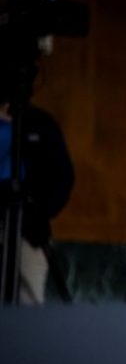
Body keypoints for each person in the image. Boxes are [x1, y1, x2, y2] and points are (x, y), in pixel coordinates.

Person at [0, 102, 74, 304]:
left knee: (29, 301)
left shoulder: (38, 122)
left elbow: (63, 176)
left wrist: (40, 212)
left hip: (28, 230)